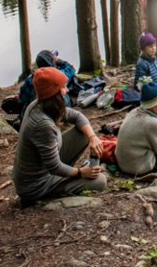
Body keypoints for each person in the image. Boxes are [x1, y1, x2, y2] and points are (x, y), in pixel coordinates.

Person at [12, 67, 106, 207]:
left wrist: (93, 137)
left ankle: (69, 173)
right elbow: (54, 167)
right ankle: (57, 187)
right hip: (36, 185)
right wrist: (81, 173)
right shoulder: (42, 124)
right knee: (100, 181)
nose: (67, 90)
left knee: (82, 133)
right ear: (54, 93)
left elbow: (76, 116)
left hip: (45, 165)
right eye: (63, 87)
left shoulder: (40, 104)